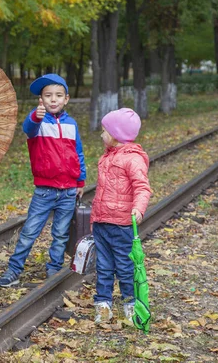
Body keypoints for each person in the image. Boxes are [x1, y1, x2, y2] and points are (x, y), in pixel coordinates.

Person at [0, 73, 86, 287]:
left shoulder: (71, 124)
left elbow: (78, 154)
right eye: (48, 96)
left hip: (67, 191)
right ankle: (14, 269)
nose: (53, 99)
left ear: (66, 99)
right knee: (29, 232)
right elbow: (28, 128)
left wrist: (80, 181)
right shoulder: (38, 123)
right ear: (41, 100)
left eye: (58, 95)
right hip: (45, 191)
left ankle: (54, 269)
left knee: (61, 234)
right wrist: (36, 116)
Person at [91, 108, 151, 323]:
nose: (101, 134)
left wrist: (139, 207)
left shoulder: (132, 159)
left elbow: (142, 187)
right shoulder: (106, 157)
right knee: (103, 267)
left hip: (122, 224)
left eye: (104, 131)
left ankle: (130, 304)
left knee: (125, 267)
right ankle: (103, 304)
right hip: (101, 222)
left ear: (116, 134)